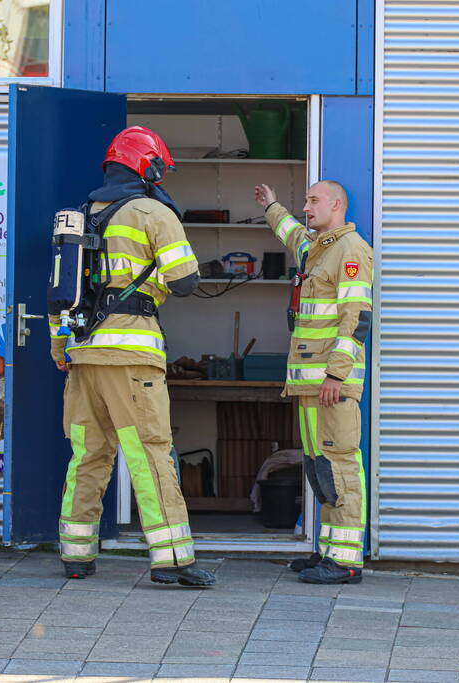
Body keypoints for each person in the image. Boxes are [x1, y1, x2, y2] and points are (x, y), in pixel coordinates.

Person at [48, 126, 216, 586]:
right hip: (132, 357)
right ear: (149, 167)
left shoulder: (78, 218)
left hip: (82, 355)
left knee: (87, 456)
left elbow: (58, 294)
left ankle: (76, 555)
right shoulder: (153, 212)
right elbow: (185, 281)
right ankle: (173, 560)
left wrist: (59, 348)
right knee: (149, 455)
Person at [254, 180, 373, 585]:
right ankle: (328, 552)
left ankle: (345, 561)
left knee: (339, 466)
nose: (306, 207)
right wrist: (271, 206)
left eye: (313, 200)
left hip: (330, 384)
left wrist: (337, 374)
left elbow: (356, 318)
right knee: (321, 468)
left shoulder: (350, 250)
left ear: (336, 204)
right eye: (305, 201)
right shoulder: (317, 248)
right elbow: (291, 233)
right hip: (310, 386)